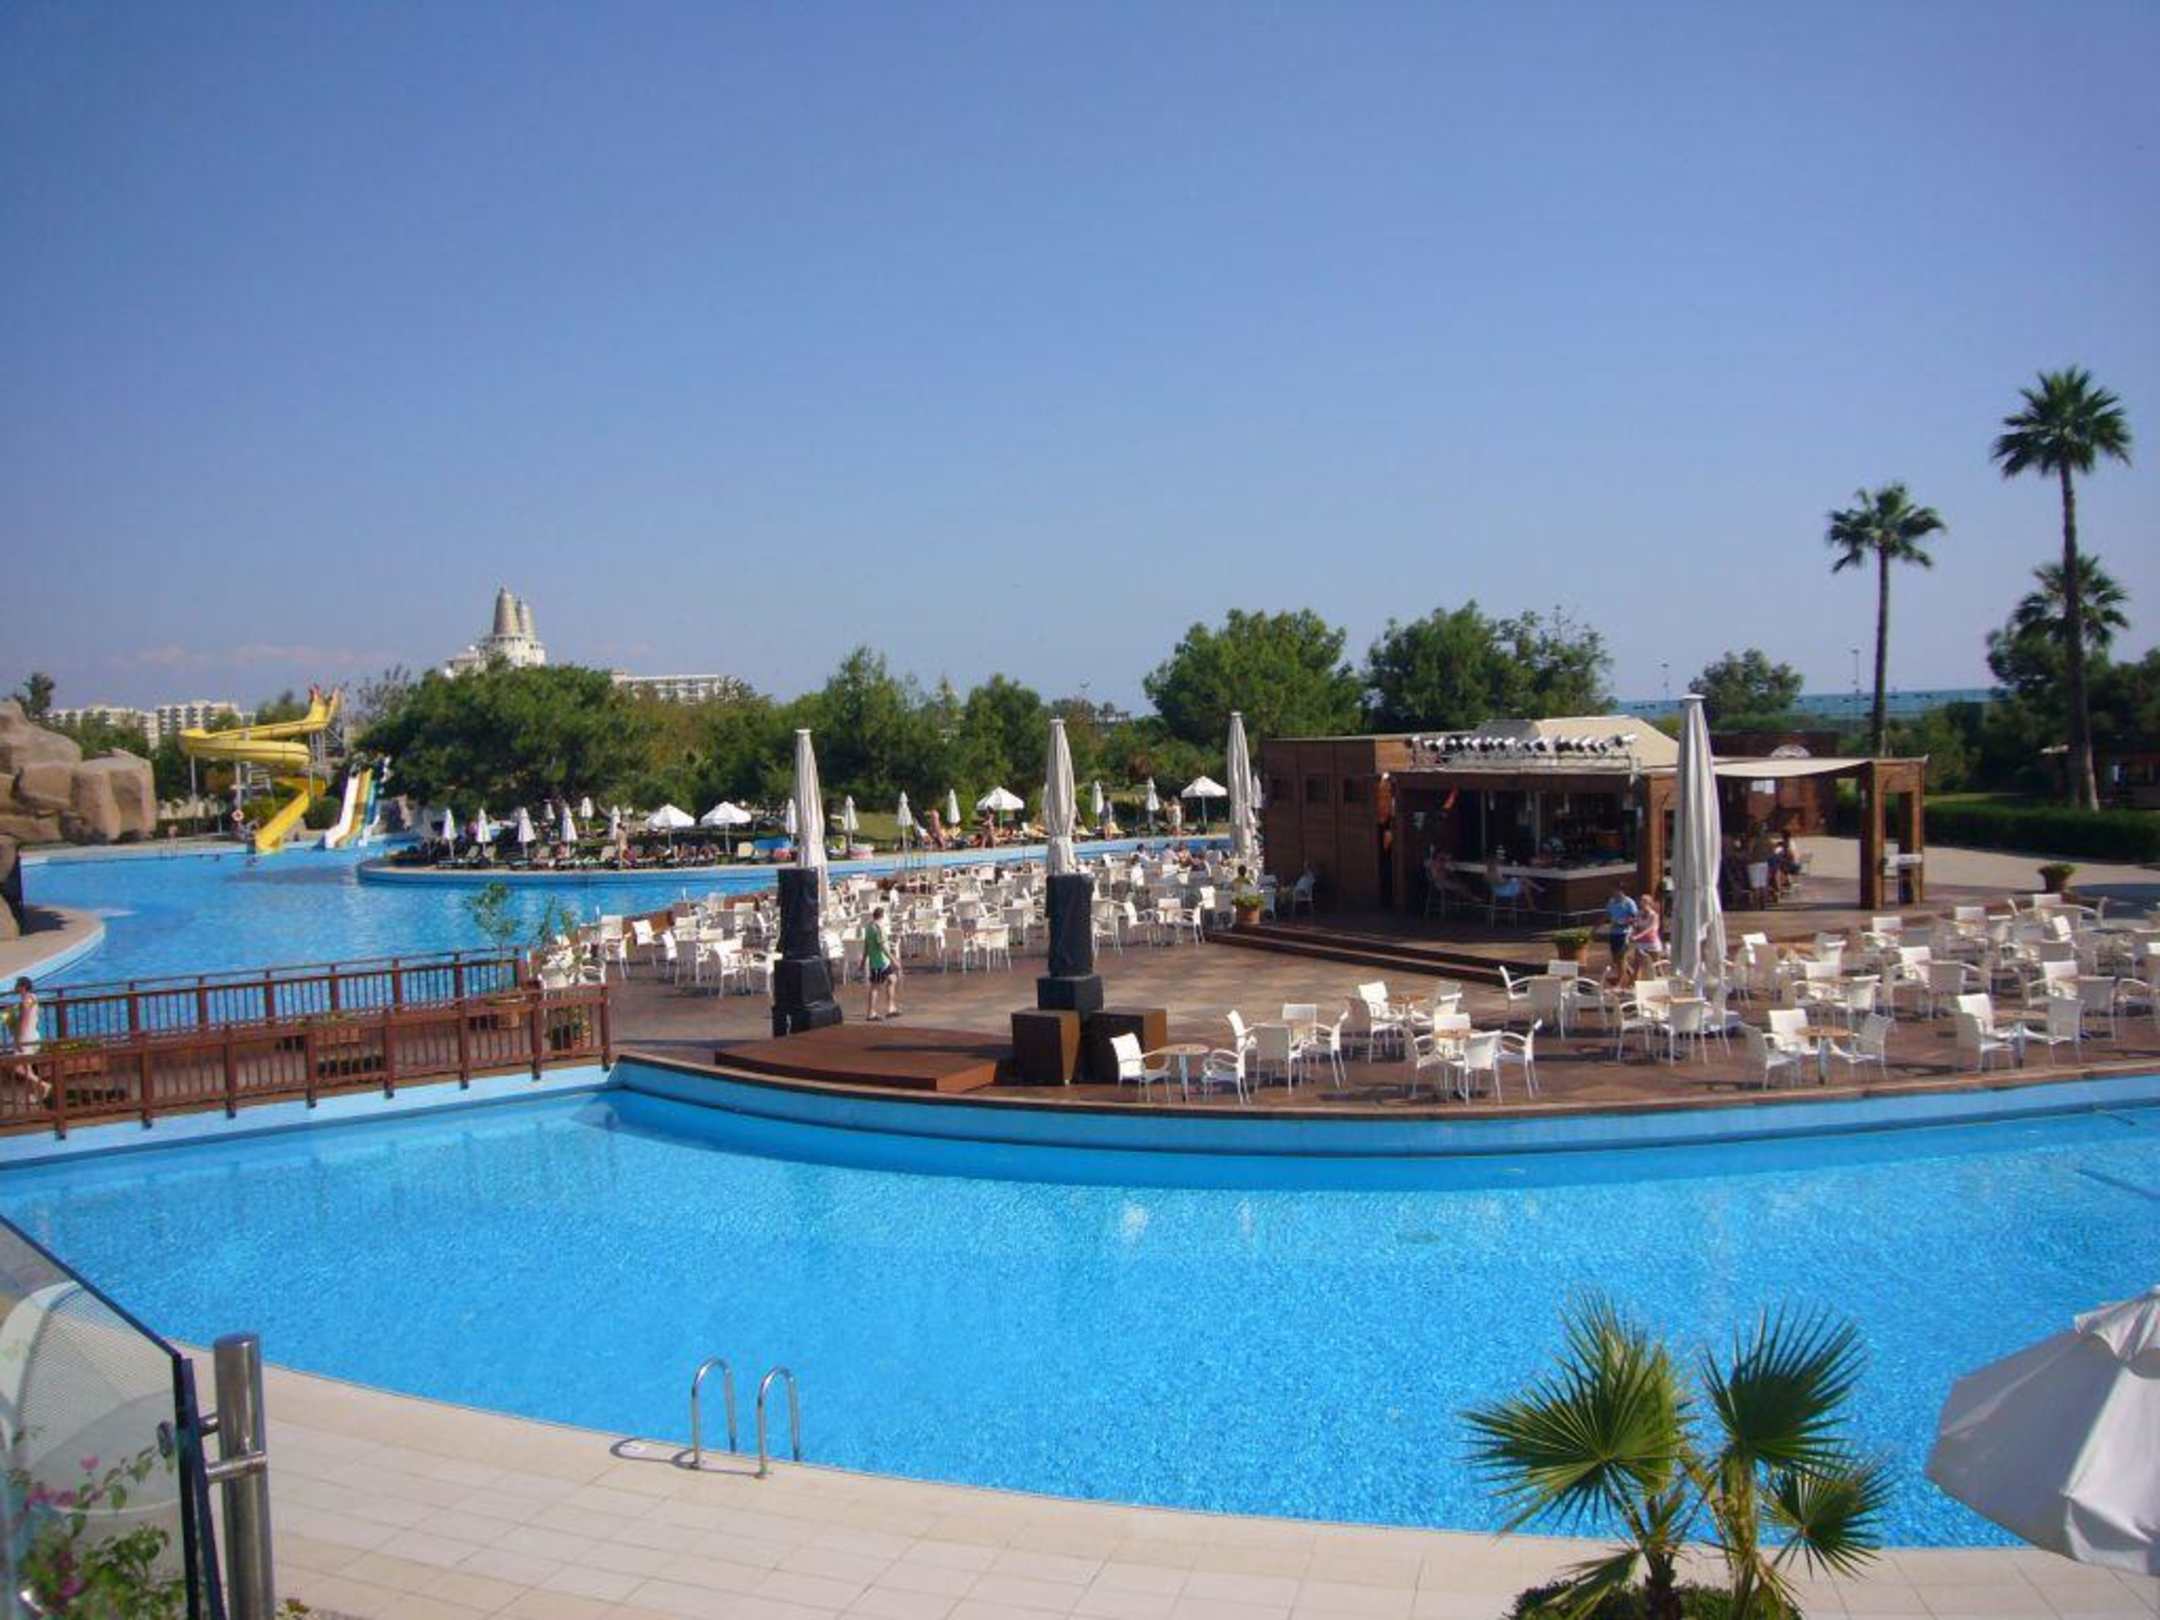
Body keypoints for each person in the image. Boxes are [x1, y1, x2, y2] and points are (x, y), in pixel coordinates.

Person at [7, 978, 47, 1105]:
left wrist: (19, 1040)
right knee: (27, 1068)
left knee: (18, 1067)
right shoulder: (33, 997)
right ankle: (33, 1096)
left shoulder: (26, 1000)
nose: (15, 988)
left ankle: (44, 1086)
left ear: (23, 987)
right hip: (33, 1035)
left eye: (17, 985)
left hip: (26, 1037)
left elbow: (24, 1020)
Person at [864, 907, 900, 1020]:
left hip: (882, 961)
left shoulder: (869, 927)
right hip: (879, 962)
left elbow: (866, 944)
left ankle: (891, 1008)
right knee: (875, 986)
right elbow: (883, 947)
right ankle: (871, 1013)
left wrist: (863, 960)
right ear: (882, 916)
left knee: (892, 979)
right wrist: (894, 960)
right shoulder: (878, 929)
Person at [1603, 889, 1639, 977]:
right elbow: (1607, 915)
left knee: (1621, 957)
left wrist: (1622, 922)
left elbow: (1635, 918)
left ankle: (1621, 979)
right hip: (1613, 933)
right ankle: (1633, 976)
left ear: (1621, 891)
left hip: (1624, 933)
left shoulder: (1629, 902)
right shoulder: (1611, 902)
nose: (1614, 893)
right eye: (1613, 891)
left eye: (1616, 891)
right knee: (1616, 959)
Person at [1627, 891, 1663, 978]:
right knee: (1637, 966)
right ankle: (1635, 983)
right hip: (1641, 943)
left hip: (1652, 943)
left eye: (1644, 902)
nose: (1641, 904)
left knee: (1657, 966)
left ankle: (1662, 981)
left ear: (1649, 903)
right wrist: (1632, 930)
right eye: (1641, 902)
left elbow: (1650, 929)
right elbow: (1636, 926)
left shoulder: (1654, 915)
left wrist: (1637, 936)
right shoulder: (1639, 914)